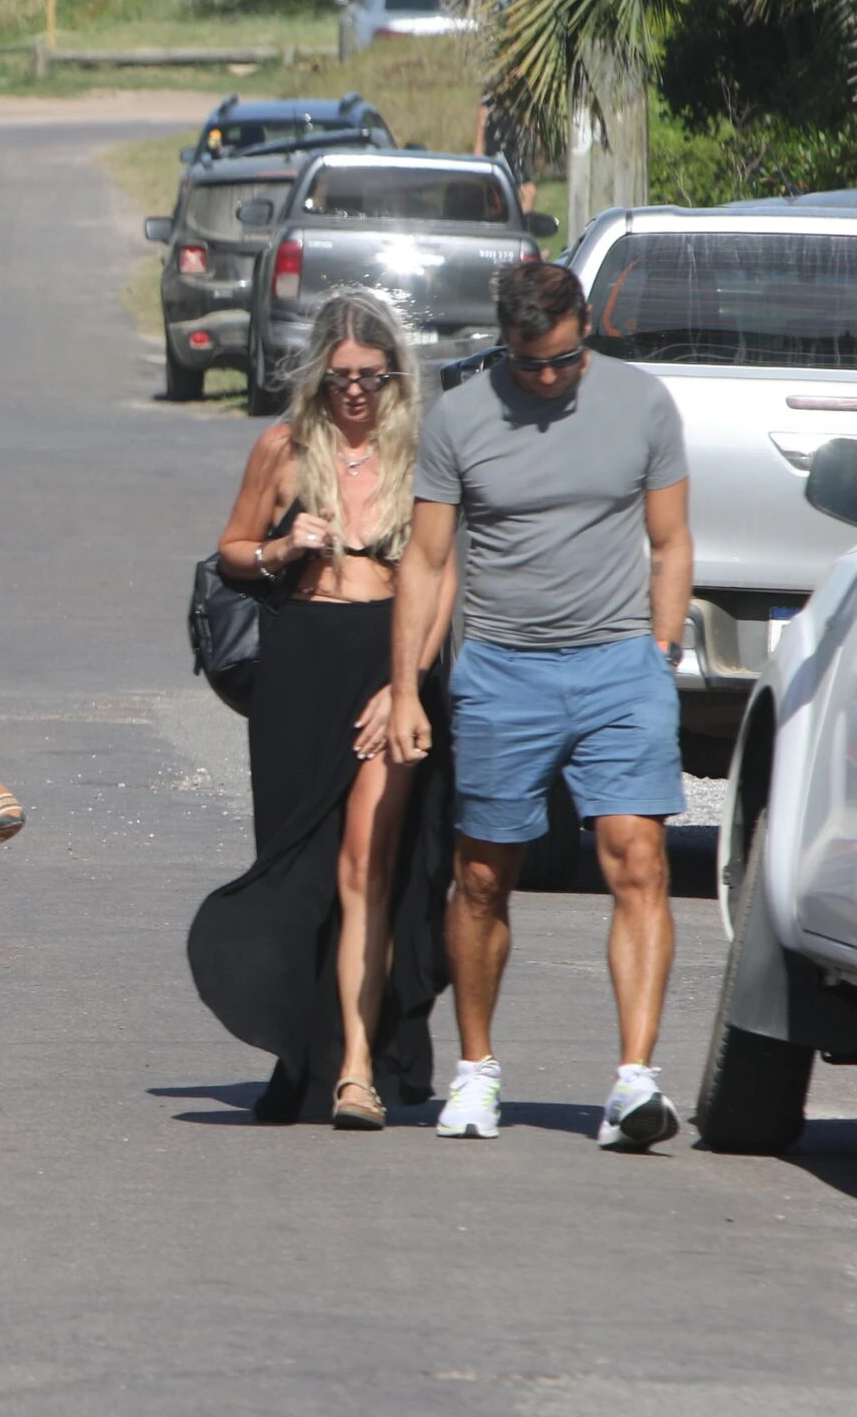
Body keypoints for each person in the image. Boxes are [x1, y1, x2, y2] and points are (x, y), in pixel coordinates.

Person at [389, 261, 693, 1148]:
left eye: (563, 359)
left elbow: (670, 541)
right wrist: (408, 684)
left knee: (636, 858)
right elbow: (426, 560)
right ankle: (476, 1072)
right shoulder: (461, 417)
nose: (549, 378)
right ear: (504, 341)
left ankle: (634, 1083)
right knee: (483, 875)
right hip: (501, 670)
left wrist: (659, 654)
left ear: (585, 327)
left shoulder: (642, 403)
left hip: (618, 666)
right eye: (530, 364)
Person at [189, 289, 455, 1129]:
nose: (353, 392)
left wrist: (405, 681)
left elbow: (441, 576)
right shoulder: (284, 447)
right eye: (339, 376)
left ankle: (357, 1068)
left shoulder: (422, 455)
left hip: (389, 661)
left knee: (364, 865)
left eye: (369, 377)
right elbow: (232, 552)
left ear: (394, 376)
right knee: (300, 870)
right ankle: (302, 1051)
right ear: (318, 376)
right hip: (302, 669)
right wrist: (278, 546)